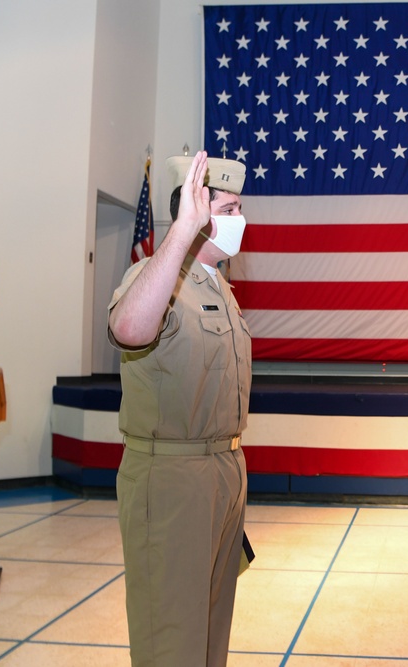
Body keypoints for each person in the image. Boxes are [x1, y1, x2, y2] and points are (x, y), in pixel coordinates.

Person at [108, 151, 253, 667]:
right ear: (194, 211)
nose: (241, 219)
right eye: (229, 208)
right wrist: (181, 234)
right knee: (171, 634)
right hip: (172, 476)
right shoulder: (155, 275)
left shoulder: (221, 288)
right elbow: (129, 330)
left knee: (211, 630)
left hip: (223, 471)